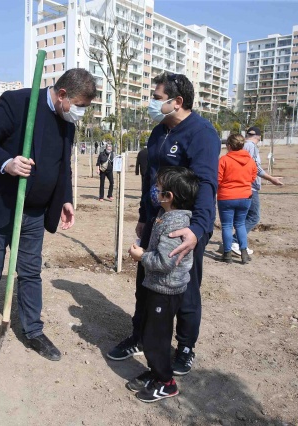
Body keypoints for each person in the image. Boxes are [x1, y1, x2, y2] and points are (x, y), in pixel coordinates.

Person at [0, 68, 96, 366]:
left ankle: (33, 331)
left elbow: (62, 166)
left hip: (33, 212)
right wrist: (6, 162)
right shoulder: (17, 102)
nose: (81, 113)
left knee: (30, 272)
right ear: (62, 96)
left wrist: (66, 200)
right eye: (80, 106)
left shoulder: (66, 122)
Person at [107, 72, 221, 379]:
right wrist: (145, 216)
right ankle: (140, 336)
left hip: (184, 226)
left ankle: (185, 346)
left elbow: (208, 184)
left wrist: (198, 230)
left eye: (157, 98)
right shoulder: (159, 132)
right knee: (146, 282)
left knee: (184, 287)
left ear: (177, 101)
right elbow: (150, 181)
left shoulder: (202, 134)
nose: (152, 103)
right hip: (156, 222)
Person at [126, 166, 199, 403]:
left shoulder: (174, 225)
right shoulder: (164, 215)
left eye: (158, 188)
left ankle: (166, 382)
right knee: (151, 333)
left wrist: (141, 256)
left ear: (169, 197)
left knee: (157, 338)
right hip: (157, 286)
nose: (154, 191)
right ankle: (155, 371)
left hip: (165, 290)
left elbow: (164, 262)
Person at [231, 126, 283, 257]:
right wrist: (271, 179)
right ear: (259, 137)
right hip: (249, 187)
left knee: (243, 217)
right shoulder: (251, 146)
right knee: (254, 216)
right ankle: (234, 241)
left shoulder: (242, 146)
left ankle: (237, 242)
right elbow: (255, 167)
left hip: (240, 186)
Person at [218, 134, 257, 264]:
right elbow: (253, 177)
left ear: (229, 146)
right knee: (240, 224)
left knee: (227, 226)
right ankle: (244, 253)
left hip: (227, 197)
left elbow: (218, 179)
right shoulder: (250, 160)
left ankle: (227, 254)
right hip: (245, 196)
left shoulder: (224, 160)